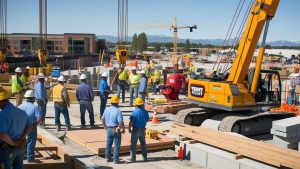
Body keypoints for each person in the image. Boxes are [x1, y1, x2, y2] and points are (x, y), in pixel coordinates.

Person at [0, 87, 33, 168]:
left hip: (7, 148)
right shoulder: (21, 112)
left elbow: (2, 134)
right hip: (20, 147)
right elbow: (30, 125)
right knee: (19, 166)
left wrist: (13, 143)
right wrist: (20, 139)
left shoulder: (2, 115)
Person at [18, 90, 42, 162]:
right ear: (33, 98)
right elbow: (39, 118)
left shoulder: (20, 106)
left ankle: (21, 156)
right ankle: (30, 157)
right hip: (31, 126)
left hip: (20, 126)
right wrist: (34, 125)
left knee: (21, 140)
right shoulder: (35, 107)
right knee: (31, 140)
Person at [101, 96, 125, 164]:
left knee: (108, 144)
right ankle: (116, 160)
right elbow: (120, 122)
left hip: (109, 129)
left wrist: (105, 126)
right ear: (117, 103)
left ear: (111, 102)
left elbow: (102, 119)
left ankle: (108, 158)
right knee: (117, 144)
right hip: (116, 129)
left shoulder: (106, 109)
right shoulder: (118, 111)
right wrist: (122, 129)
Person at [128, 98, 149, 162]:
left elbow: (131, 122)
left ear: (135, 104)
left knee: (133, 144)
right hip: (142, 130)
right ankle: (144, 157)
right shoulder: (145, 112)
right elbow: (147, 120)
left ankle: (133, 158)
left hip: (135, 130)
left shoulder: (134, 113)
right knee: (143, 144)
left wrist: (129, 129)